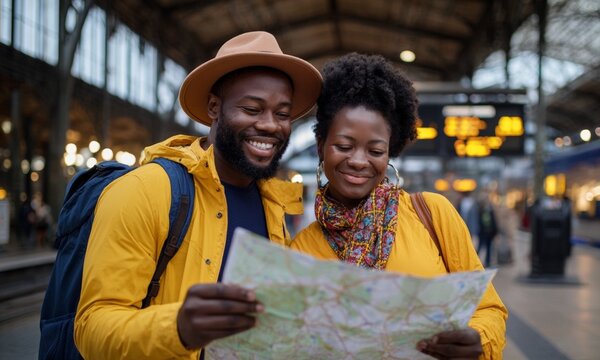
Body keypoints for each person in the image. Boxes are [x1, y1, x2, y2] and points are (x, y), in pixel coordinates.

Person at [74, 31, 322, 359]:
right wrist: (177, 328)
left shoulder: (273, 205)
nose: (269, 125)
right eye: (252, 108)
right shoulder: (144, 191)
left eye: (282, 113)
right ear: (214, 107)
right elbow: (91, 327)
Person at [290, 53, 507, 359]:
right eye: (343, 146)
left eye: (375, 150)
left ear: (389, 154)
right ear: (321, 147)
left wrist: (478, 338)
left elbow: (489, 308)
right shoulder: (302, 249)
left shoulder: (432, 213)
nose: (358, 161)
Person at [477, 197, 498, 267]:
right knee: (480, 247)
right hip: (483, 233)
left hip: (489, 233)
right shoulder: (481, 210)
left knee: (488, 248)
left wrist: (495, 231)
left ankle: (487, 262)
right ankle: (477, 261)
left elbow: (493, 222)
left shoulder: (490, 211)